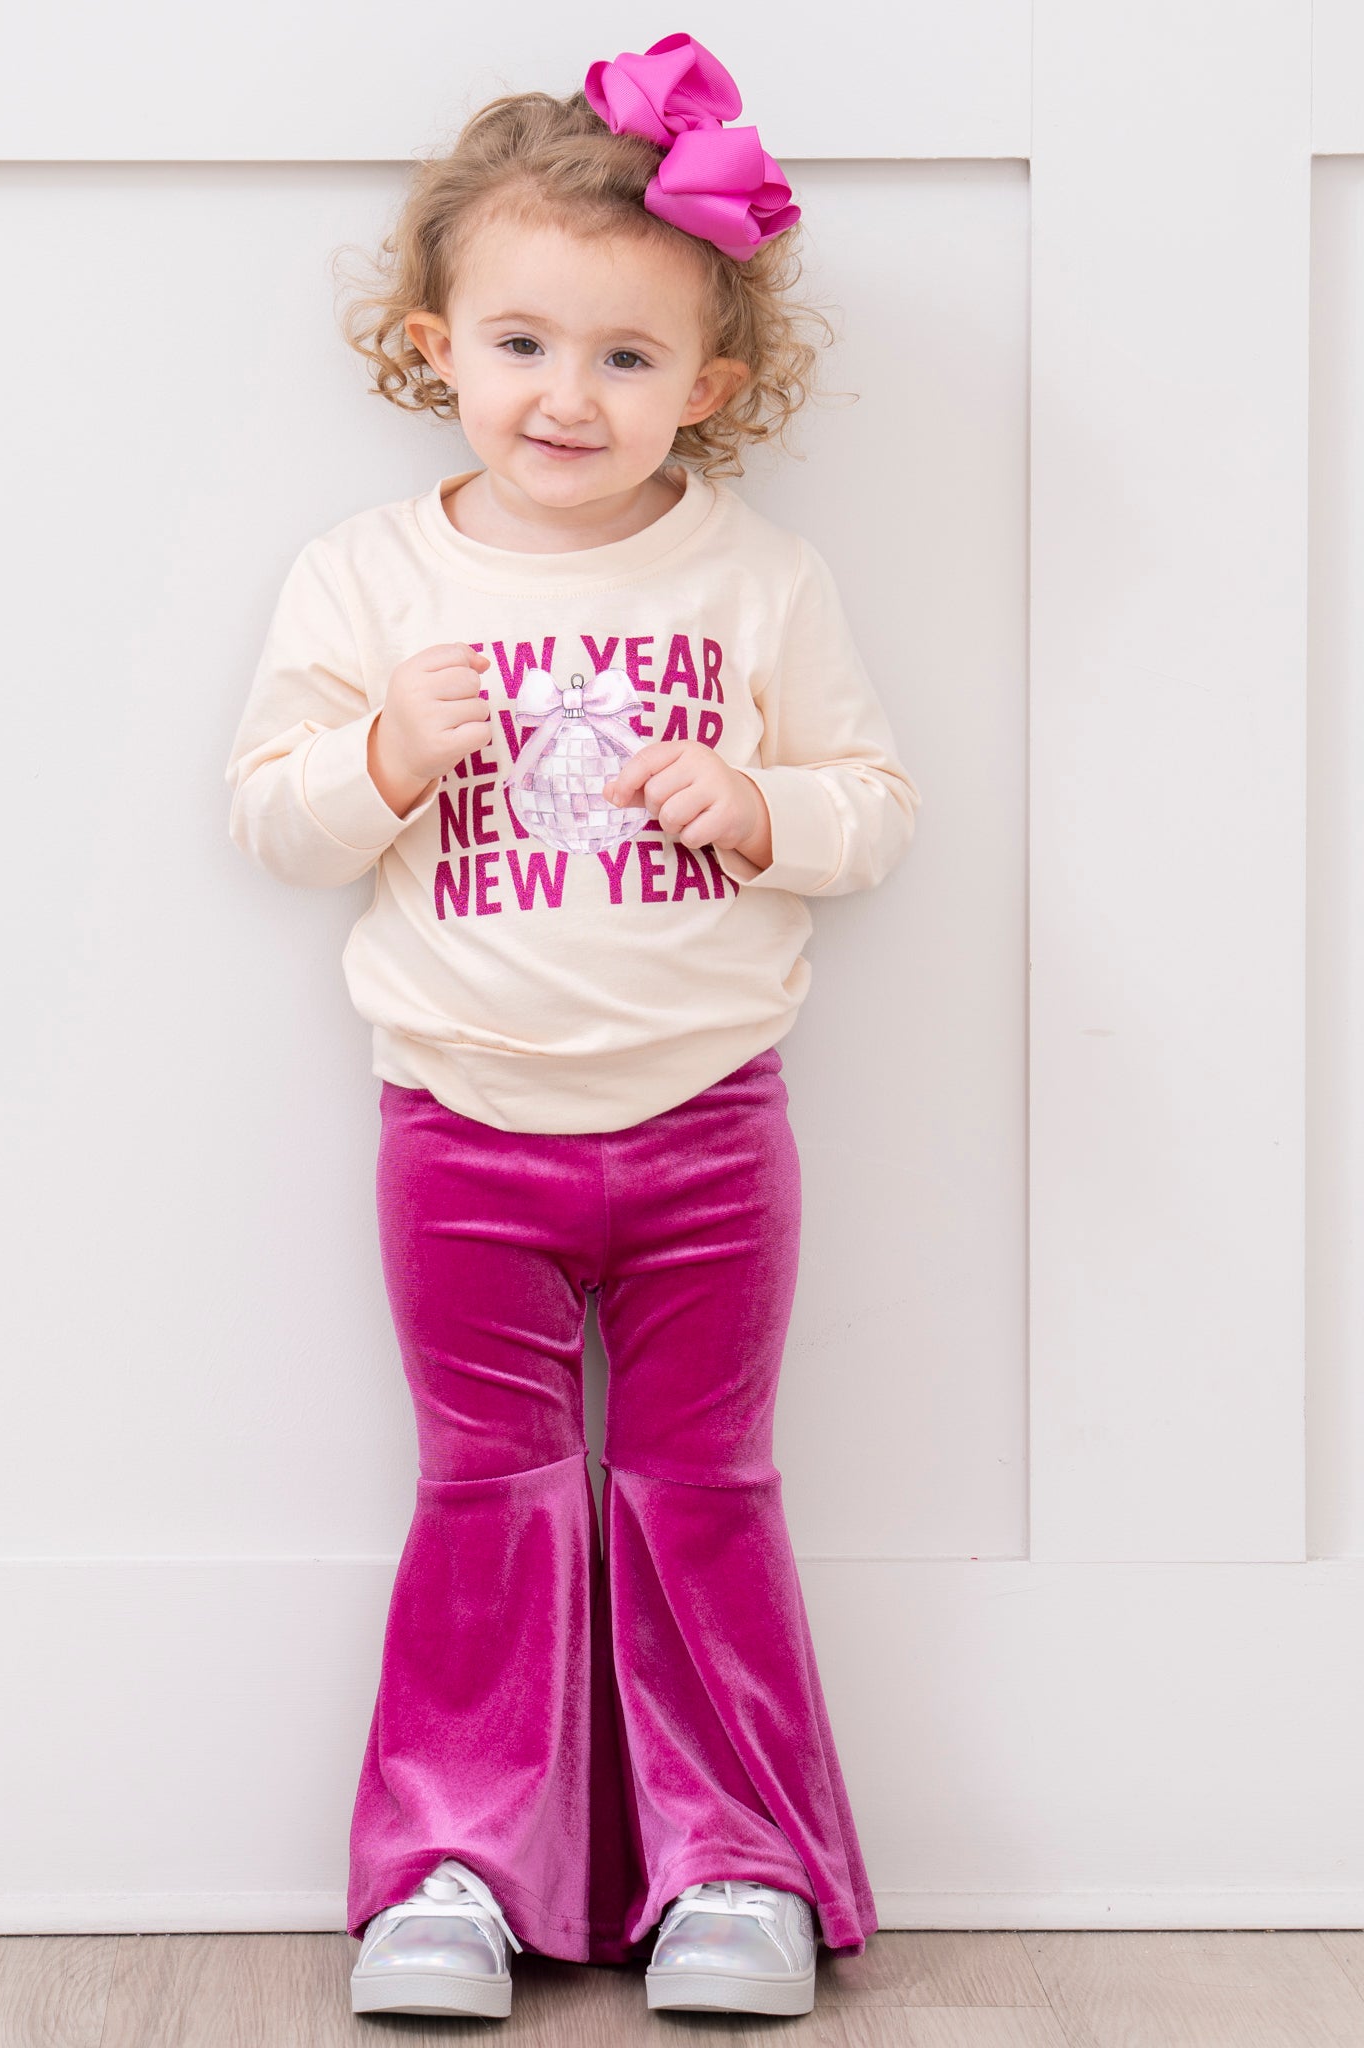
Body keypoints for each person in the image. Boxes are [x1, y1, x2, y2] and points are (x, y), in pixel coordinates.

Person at [224, 30, 922, 2023]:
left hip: (712, 1127)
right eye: (522, 343)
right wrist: (383, 753)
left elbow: (876, 807)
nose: (567, 395)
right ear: (433, 344)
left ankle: (736, 1866)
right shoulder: (370, 576)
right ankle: (450, 1868)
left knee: (703, 1496)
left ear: (709, 383)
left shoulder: (757, 579)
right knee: (490, 1499)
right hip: (460, 1125)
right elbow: (273, 819)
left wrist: (761, 809)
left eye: (626, 357)